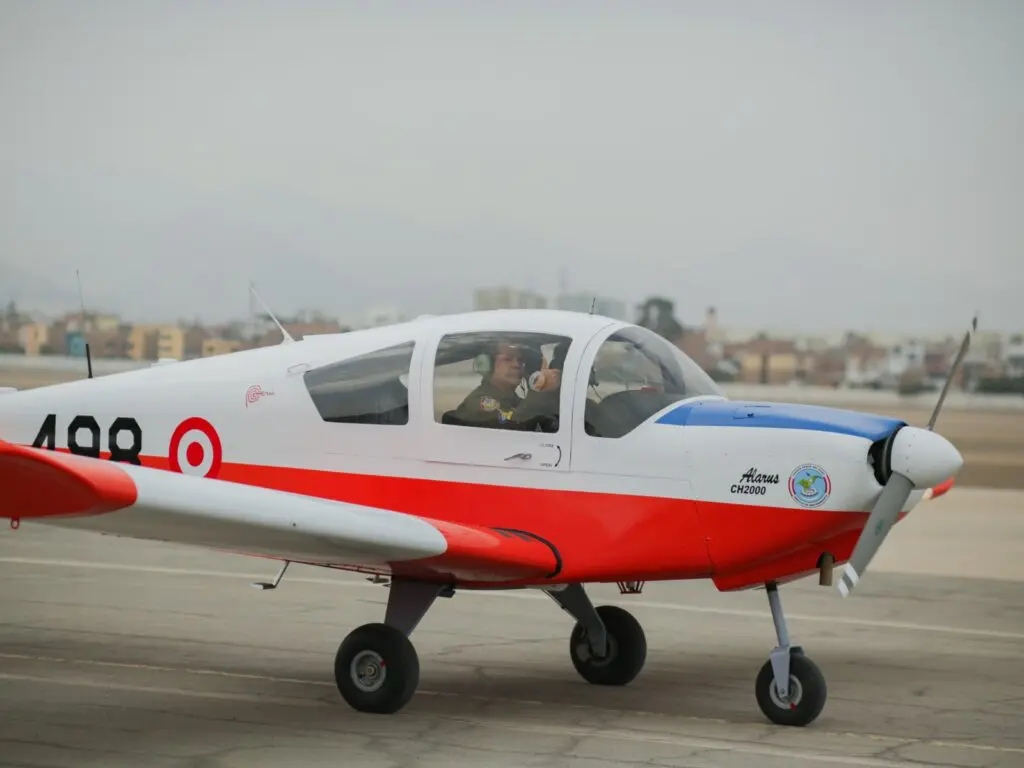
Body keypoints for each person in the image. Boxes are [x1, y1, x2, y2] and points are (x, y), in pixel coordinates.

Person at [449, 339, 562, 431]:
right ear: (487, 365)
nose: (516, 365)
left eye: (520, 360)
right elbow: (512, 428)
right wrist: (539, 389)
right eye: (507, 359)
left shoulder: (516, 401)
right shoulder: (479, 402)